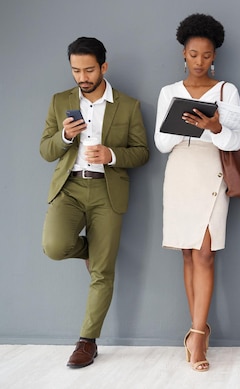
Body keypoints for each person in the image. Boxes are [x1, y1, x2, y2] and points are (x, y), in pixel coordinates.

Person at [40, 37, 149, 368]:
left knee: (103, 271)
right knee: (54, 247)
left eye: (89, 69)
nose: (82, 77)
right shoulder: (60, 101)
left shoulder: (128, 105)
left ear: (103, 66)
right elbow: (45, 151)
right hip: (70, 188)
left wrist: (111, 154)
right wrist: (65, 137)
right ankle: (94, 248)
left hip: (107, 191)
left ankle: (87, 341)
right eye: (76, 70)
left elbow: (142, 152)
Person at [154, 13, 240, 372]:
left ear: (214, 56)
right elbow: (161, 143)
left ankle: (198, 336)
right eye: (194, 54)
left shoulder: (226, 91)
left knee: (205, 253)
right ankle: (197, 329)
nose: (200, 61)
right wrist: (188, 125)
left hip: (212, 172)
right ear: (183, 54)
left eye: (206, 55)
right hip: (179, 172)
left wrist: (215, 127)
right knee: (188, 255)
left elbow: (235, 140)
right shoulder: (168, 92)